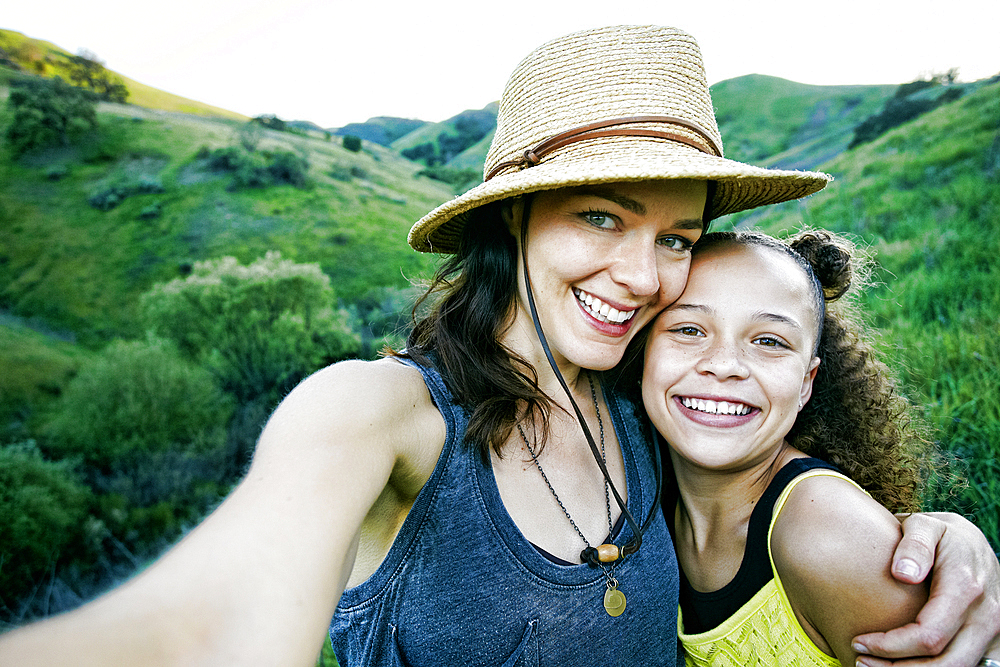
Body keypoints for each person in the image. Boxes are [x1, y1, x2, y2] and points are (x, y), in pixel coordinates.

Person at [0, 25, 997, 667]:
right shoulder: (378, 415)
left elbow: (776, 497)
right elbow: (198, 623)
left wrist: (929, 537)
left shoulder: (649, 403)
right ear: (512, 221)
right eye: (600, 216)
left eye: (675, 237)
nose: (644, 275)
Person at [640, 229, 996, 666]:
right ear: (644, 351)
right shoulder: (644, 485)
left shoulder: (829, 539)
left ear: (807, 383)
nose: (724, 365)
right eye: (689, 329)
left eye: (769, 341)